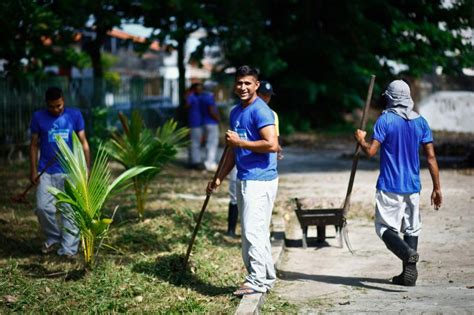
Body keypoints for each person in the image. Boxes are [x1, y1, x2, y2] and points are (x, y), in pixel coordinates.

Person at [354, 79, 442, 286]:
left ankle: (407, 253)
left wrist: (360, 139)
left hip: (390, 185)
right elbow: (431, 157)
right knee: (411, 228)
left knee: (384, 229)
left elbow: (371, 151)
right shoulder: (421, 122)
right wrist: (437, 187)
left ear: (391, 98)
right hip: (412, 186)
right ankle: (407, 275)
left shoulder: (385, 121)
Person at [207, 65, 279, 295]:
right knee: (256, 230)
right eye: (239, 83)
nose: (243, 87)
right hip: (245, 177)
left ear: (256, 85)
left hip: (260, 180)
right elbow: (231, 151)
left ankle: (256, 281)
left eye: (248, 83)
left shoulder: (261, 111)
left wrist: (240, 143)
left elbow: (272, 145)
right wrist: (218, 178)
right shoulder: (236, 112)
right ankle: (266, 277)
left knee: (251, 231)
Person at [30, 87, 90, 257]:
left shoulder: (75, 115)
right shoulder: (38, 117)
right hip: (45, 172)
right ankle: (54, 237)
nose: (56, 109)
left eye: (59, 106)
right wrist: (33, 170)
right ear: (46, 104)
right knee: (42, 208)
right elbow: (34, 145)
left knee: (69, 210)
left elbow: (83, 142)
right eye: (51, 106)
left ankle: (68, 250)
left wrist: (86, 168)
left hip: (70, 171)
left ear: (64, 101)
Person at [225, 80, 282, 237]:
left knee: (255, 225)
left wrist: (277, 150)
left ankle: (265, 232)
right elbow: (232, 145)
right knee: (235, 196)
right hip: (240, 161)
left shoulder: (269, 114)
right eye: (263, 95)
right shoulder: (237, 112)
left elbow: (273, 142)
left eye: (269, 96)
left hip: (258, 171)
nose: (266, 99)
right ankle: (230, 229)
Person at [200, 81, 220, 171]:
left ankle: (208, 161)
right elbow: (212, 111)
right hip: (211, 123)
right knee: (212, 143)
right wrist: (218, 118)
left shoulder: (201, 97)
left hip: (204, 122)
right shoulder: (209, 97)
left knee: (208, 143)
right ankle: (210, 163)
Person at [186, 83, 204, 169]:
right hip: (194, 122)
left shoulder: (198, 97)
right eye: (198, 89)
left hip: (199, 122)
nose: (200, 90)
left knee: (196, 142)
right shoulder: (191, 96)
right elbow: (186, 106)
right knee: (194, 143)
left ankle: (195, 160)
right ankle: (195, 162)